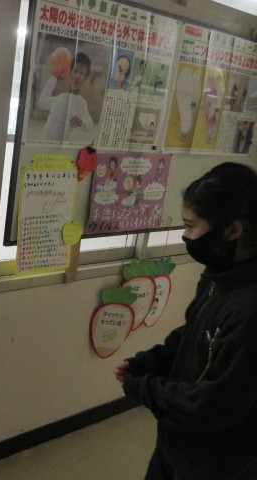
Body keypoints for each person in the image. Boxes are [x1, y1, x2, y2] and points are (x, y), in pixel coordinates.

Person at [113, 162, 257, 479]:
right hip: (176, 443)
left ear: (232, 231)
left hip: (215, 462)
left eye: (191, 226)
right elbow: (195, 333)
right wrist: (152, 361)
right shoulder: (219, 274)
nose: (185, 235)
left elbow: (213, 406)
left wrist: (145, 389)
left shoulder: (248, 310)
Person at [38, 52, 94, 142]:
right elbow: (41, 103)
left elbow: (89, 125)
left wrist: (82, 122)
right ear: (70, 72)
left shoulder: (80, 103)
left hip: (57, 148)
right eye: (75, 71)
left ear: (85, 78)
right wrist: (53, 78)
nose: (77, 76)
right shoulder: (60, 97)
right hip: (42, 143)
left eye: (81, 73)